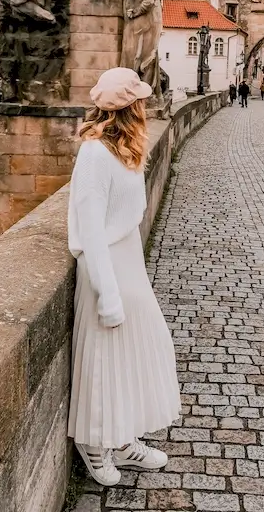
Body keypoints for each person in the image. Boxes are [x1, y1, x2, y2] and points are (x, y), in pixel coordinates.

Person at [68, 67, 181, 486]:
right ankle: (95, 443)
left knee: (134, 352)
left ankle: (123, 437)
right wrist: (107, 294)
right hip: (106, 267)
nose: (147, 107)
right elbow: (91, 228)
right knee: (103, 359)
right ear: (130, 108)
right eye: (141, 102)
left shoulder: (125, 149)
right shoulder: (95, 154)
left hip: (128, 261)